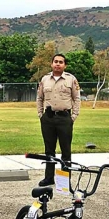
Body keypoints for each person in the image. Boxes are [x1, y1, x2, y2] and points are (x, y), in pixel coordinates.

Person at [36, 54, 81, 187]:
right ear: (51, 64)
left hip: (64, 118)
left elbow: (77, 98)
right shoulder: (45, 79)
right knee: (49, 150)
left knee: (65, 150)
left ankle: (64, 180)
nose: (58, 64)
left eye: (61, 62)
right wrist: (40, 114)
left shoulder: (71, 79)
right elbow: (39, 98)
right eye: (55, 61)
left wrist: (73, 116)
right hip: (48, 118)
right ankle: (49, 178)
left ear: (64, 65)